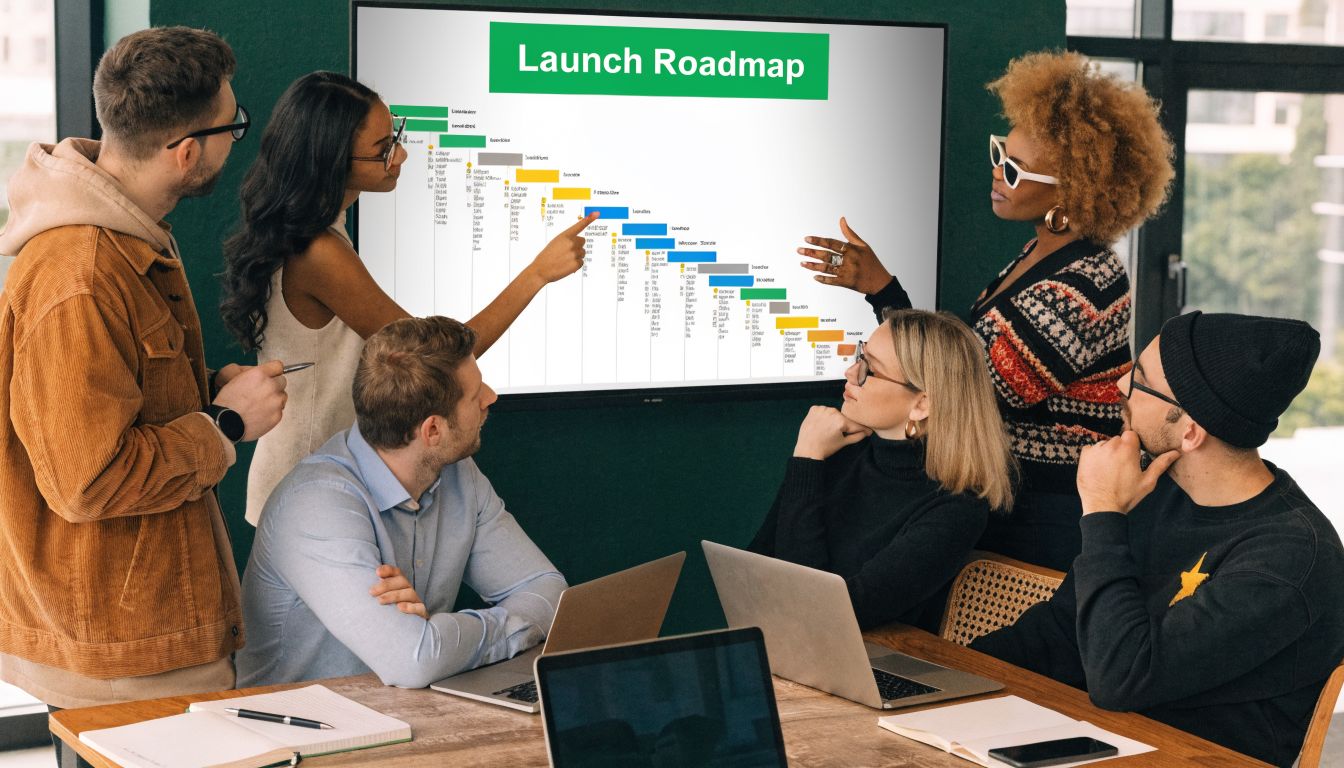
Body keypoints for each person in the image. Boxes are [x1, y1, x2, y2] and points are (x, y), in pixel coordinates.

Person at [0, 25, 288, 762]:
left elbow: (117, 405)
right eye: (233, 128)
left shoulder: (129, 237)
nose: (236, 143)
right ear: (187, 151)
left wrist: (206, 392)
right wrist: (224, 424)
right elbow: (86, 478)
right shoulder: (82, 275)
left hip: (140, 638)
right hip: (122, 654)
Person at [797, 51, 1175, 570]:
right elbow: (952, 372)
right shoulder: (1036, 254)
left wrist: (883, 290)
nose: (997, 173)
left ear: (1073, 192)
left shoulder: (1086, 284)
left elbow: (961, 389)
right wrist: (880, 290)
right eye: (1000, 153)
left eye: (1015, 171)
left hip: (1042, 518)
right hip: (1007, 496)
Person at [220, 71, 597, 526]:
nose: (400, 155)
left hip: (316, 477)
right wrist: (537, 274)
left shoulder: (314, 232)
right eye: (382, 149)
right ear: (332, 161)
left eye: (395, 137)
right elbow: (434, 357)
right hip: (307, 485)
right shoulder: (319, 253)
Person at [970, 312, 1344, 767]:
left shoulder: (1292, 557)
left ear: (1190, 431)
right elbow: (1061, 631)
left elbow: (1122, 678)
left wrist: (1103, 511)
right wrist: (956, 676)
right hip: (1094, 740)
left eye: (1141, 381)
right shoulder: (1161, 492)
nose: (1119, 384)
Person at [236, 316, 566, 688]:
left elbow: (549, 591)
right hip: (301, 720)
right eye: (476, 394)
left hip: (405, 709)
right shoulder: (315, 505)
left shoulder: (459, 474)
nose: (490, 397)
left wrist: (435, 635)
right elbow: (413, 662)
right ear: (433, 430)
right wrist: (429, 642)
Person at [749, 309, 1016, 632]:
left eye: (870, 369)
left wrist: (807, 459)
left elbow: (824, 615)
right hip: (781, 640)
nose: (851, 372)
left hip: (863, 657)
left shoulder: (956, 510)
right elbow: (755, 568)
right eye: (860, 356)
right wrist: (809, 460)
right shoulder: (837, 450)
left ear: (921, 404)